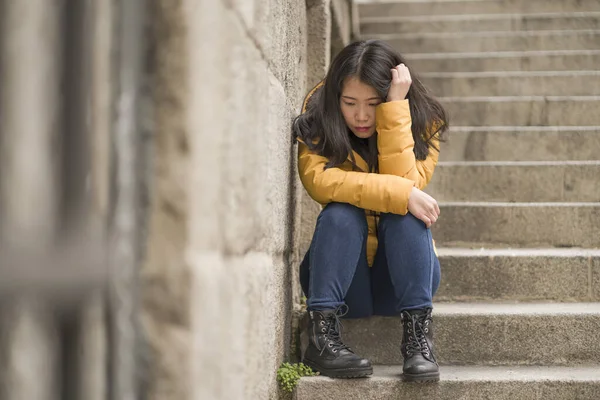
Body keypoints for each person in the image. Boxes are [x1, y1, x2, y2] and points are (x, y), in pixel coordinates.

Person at [292, 39, 449, 382]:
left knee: (406, 213)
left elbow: (405, 182)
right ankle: (321, 339)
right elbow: (320, 182)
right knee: (341, 213)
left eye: (373, 103)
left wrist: (395, 110)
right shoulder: (317, 117)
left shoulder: (424, 122)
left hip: (403, 281)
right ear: (336, 99)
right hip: (343, 281)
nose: (361, 115)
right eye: (349, 103)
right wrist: (403, 194)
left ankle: (419, 342)